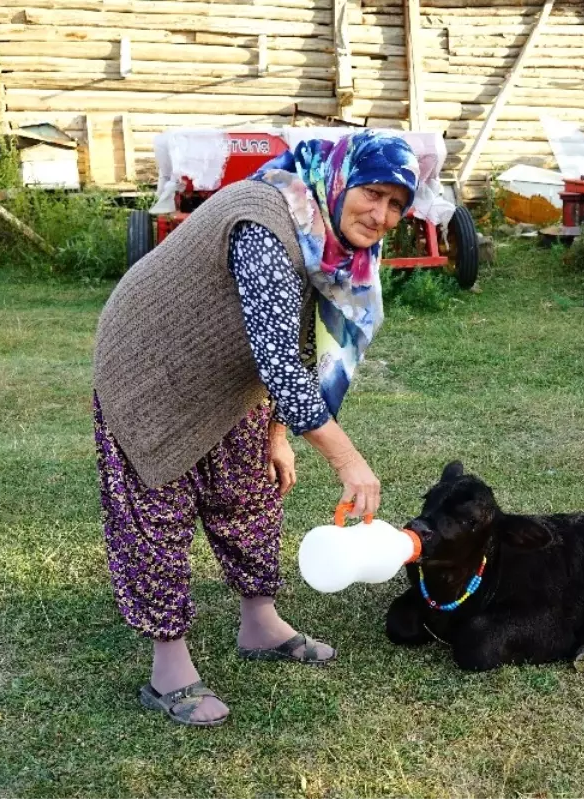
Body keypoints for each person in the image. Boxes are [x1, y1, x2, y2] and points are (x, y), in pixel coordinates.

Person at [91, 130, 420, 727]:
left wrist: (276, 432)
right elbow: (276, 355)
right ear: (339, 180)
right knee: (158, 511)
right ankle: (169, 669)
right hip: (147, 370)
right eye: (373, 193)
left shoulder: (333, 244)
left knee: (250, 494)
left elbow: (295, 343)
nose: (383, 215)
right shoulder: (266, 219)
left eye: (398, 204)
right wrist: (347, 460)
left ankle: (260, 624)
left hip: (227, 371)